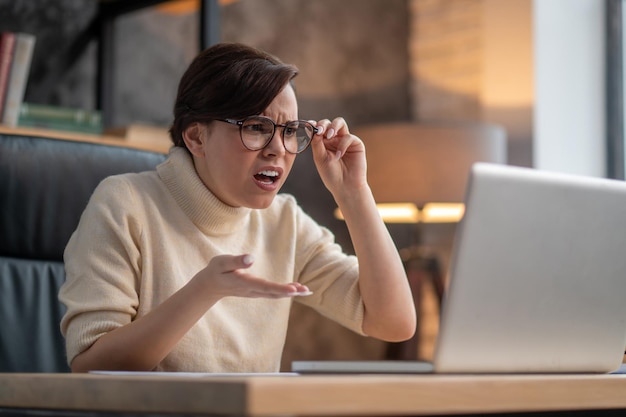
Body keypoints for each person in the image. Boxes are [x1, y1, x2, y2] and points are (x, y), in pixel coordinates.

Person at [59, 42, 416, 373]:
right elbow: (91, 366)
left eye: (290, 130)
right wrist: (204, 290)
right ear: (197, 137)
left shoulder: (284, 220)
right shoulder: (125, 204)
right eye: (257, 127)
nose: (278, 149)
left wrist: (353, 193)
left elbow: (394, 322)